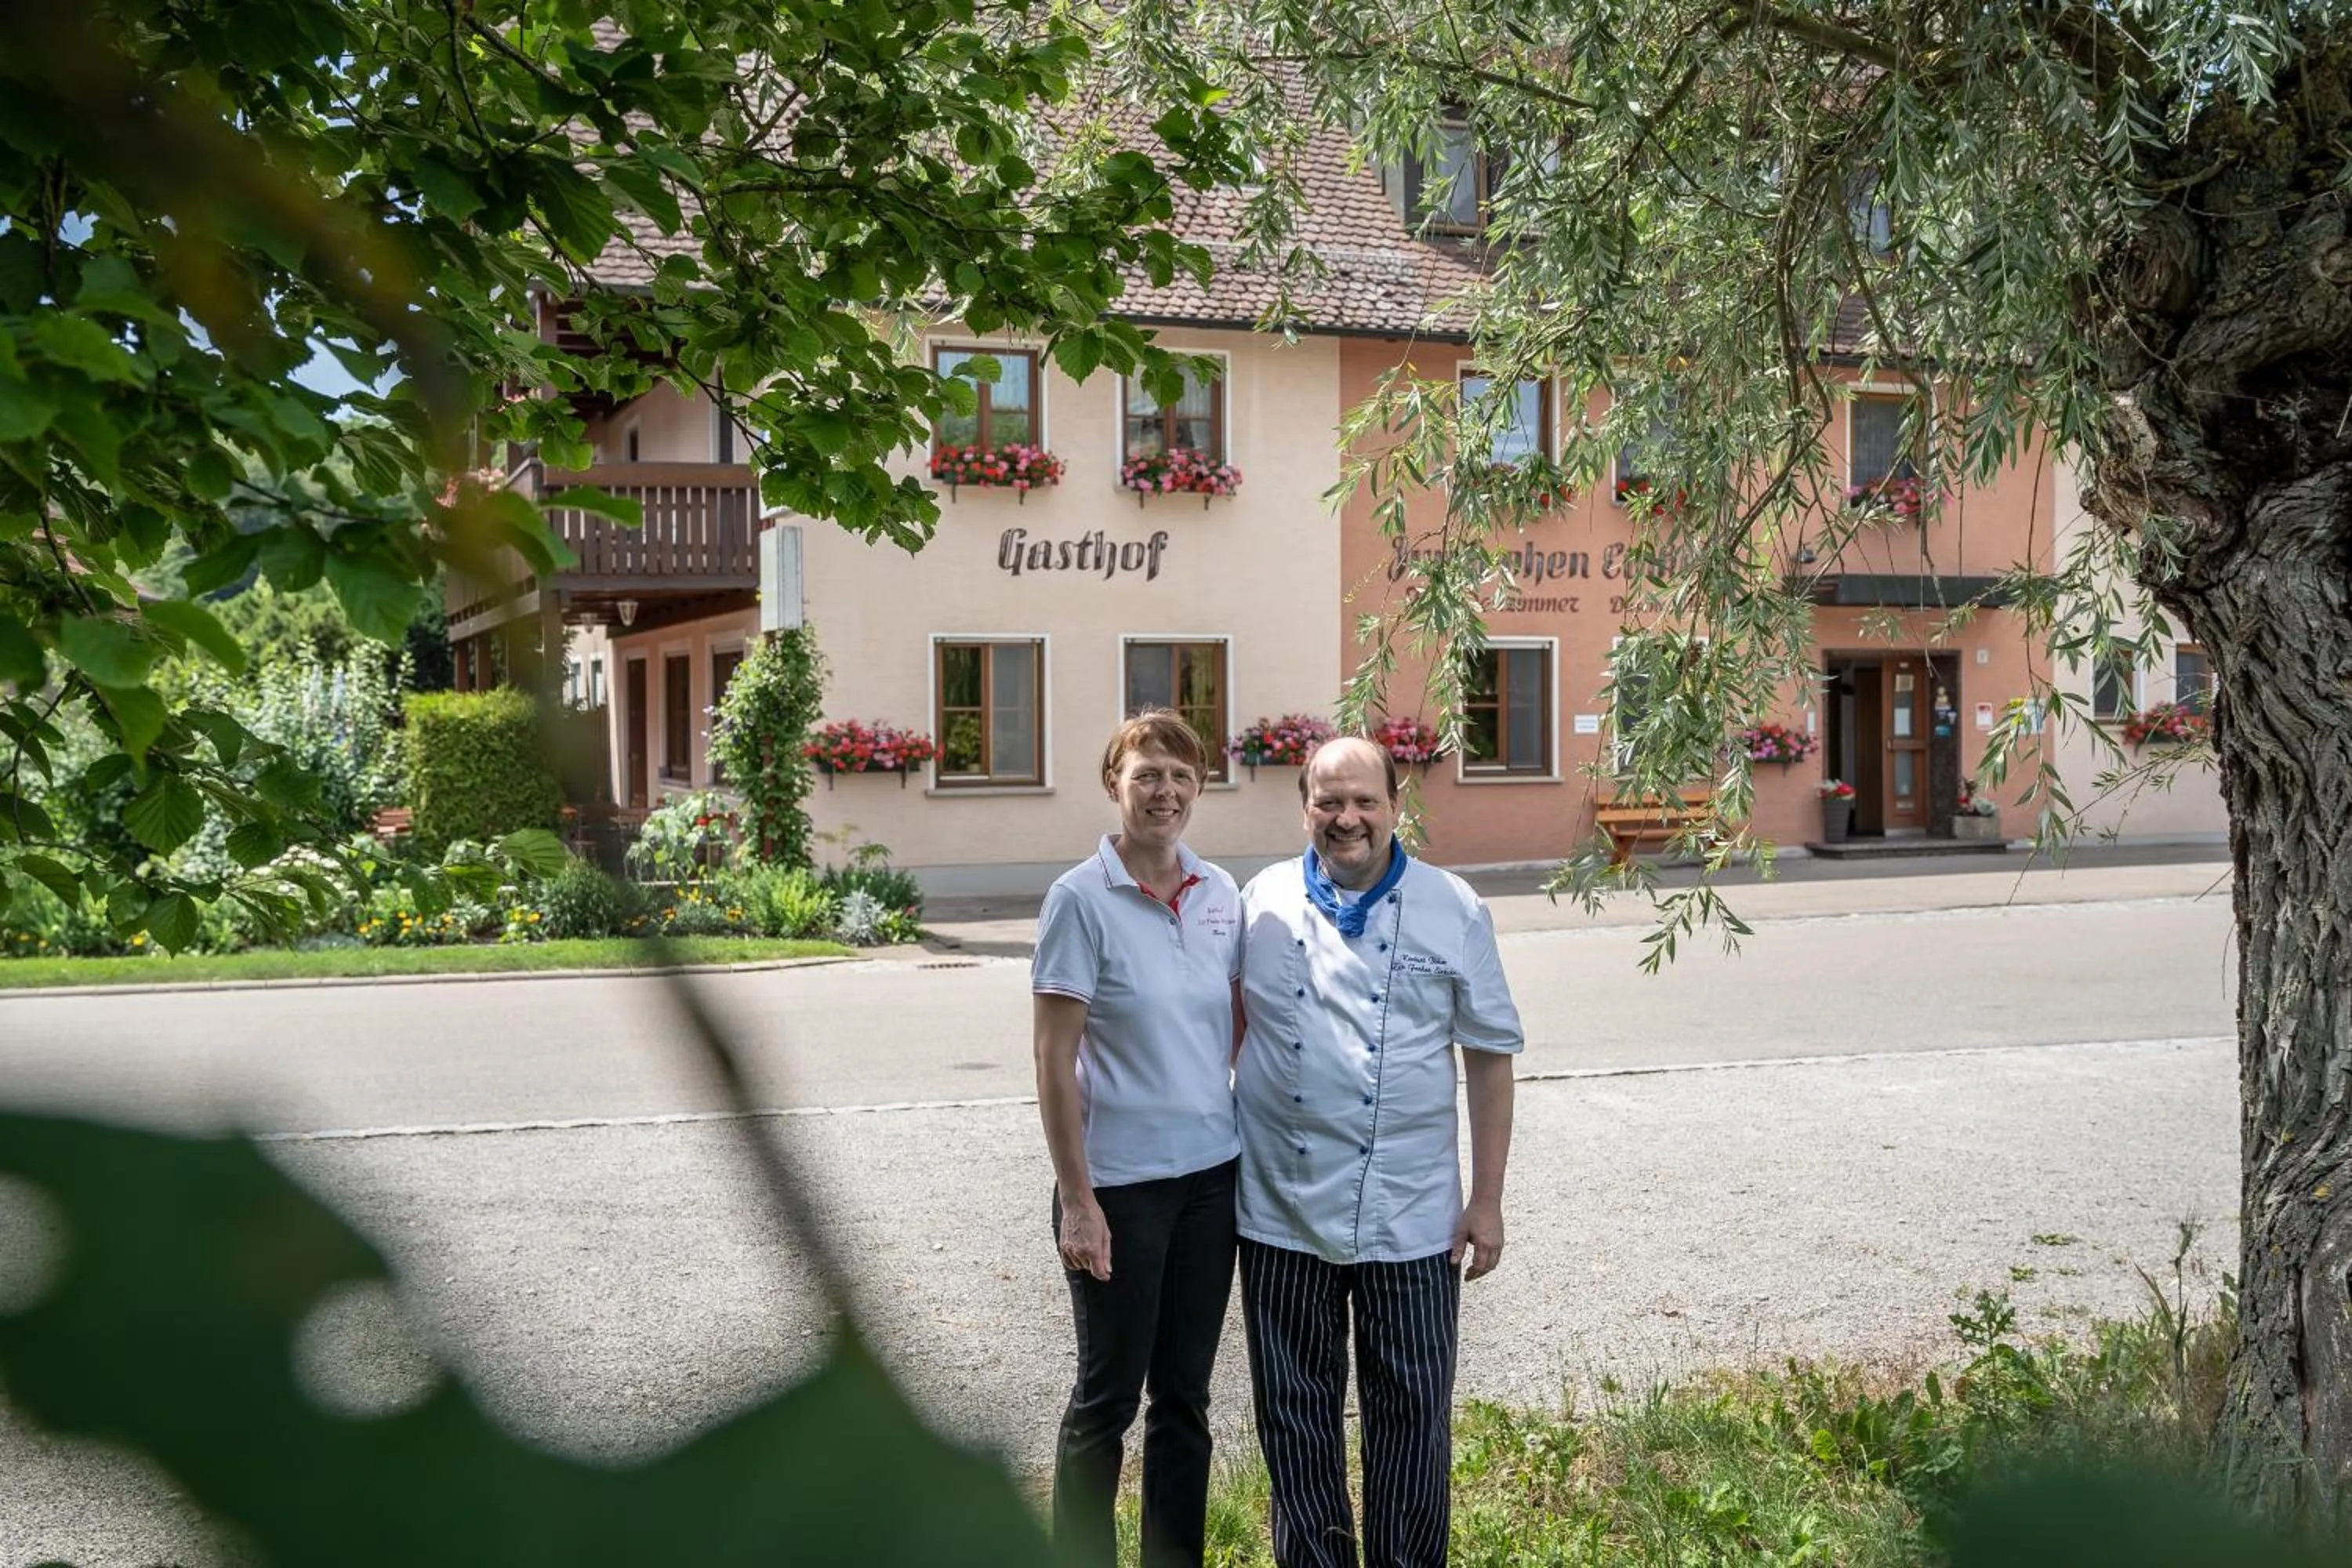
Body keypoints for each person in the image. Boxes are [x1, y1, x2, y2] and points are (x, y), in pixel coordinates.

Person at [1233, 735, 1522, 1568]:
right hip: (1282, 1209)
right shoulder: (1261, 900)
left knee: (1413, 1417)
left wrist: (1488, 1198)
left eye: (1365, 800)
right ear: (1305, 808)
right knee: (1294, 1417)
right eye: (1329, 801)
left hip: (1414, 1211)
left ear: (1397, 805)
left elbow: (1490, 1057)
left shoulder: (1452, 906)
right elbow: (1220, 1028)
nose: (1347, 817)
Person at [1033, 709, 1243, 1568]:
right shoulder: (1080, 899)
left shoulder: (1221, 893)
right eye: (1147, 774)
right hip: (1118, 1188)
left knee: (1185, 1398)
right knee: (1107, 1399)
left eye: (1181, 776)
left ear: (1199, 788)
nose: (1165, 791)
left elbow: (1236, 1022)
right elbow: (1053, 1059)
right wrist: (1078, 1200)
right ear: (1113, 784)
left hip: (1212, 1183)